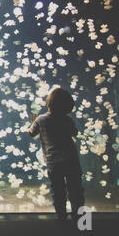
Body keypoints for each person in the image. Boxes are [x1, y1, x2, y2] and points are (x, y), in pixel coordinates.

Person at [28, 88, 85, 221]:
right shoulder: (68, 119)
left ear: (48, 103)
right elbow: (74, 133)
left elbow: (31, 133)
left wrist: (32, 122)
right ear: (68, 106)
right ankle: (78, 215)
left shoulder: (41, 119)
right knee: (75, 187)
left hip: (53, 161)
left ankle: (61, 215)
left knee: (58, 189)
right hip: (71, 159)